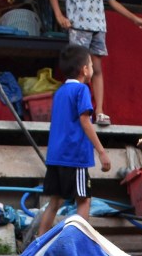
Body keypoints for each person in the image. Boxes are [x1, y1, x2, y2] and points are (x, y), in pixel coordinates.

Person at [34, 45, 112, 236]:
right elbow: (85, 121)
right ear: (85, 70)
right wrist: (101, 152)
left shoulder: (60, 92)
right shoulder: (82, 90)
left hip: (56, 157)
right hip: (74, 157)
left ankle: (38, 242)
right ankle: (78, 242)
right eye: (91, 65)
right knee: (84, 200)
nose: (92, 69)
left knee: (54, 202)